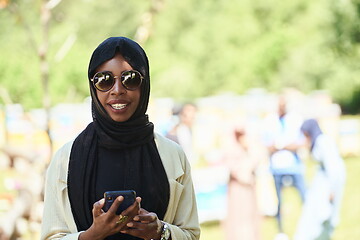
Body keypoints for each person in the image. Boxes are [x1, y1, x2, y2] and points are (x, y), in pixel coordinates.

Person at [40, 37, 200, 240]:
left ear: (145, 84)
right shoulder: (67, 158)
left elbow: (191, 234)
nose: (117, 90)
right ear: (93, 87)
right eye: (104, 80)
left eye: (130, 79)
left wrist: (160, 231)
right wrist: (92, 235)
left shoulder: (172, 154)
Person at [293, 119, 346, 240]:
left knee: (324, 212)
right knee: (314, 212)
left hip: (330, 182)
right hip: (323, 182)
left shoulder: (323, 142)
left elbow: (333, 167)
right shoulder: (317, 142)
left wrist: (333, 189)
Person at [262, 95, 306, 239]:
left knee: (304, 197)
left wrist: (286, 146)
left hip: (294, 166)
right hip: (277, 167)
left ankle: (308, 225)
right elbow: (266, 144)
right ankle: (281, 230)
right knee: (279, 201)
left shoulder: (295, 119)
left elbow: (301, 142)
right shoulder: (269, 121)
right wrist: (277, 146)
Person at [223, 126, 261, 240]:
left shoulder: (249, 149)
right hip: (237, 189)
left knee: (249, 216)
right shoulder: (232, 149)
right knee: (238, 218)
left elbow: (256, 160)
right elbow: (233, 169)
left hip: (248, 190)